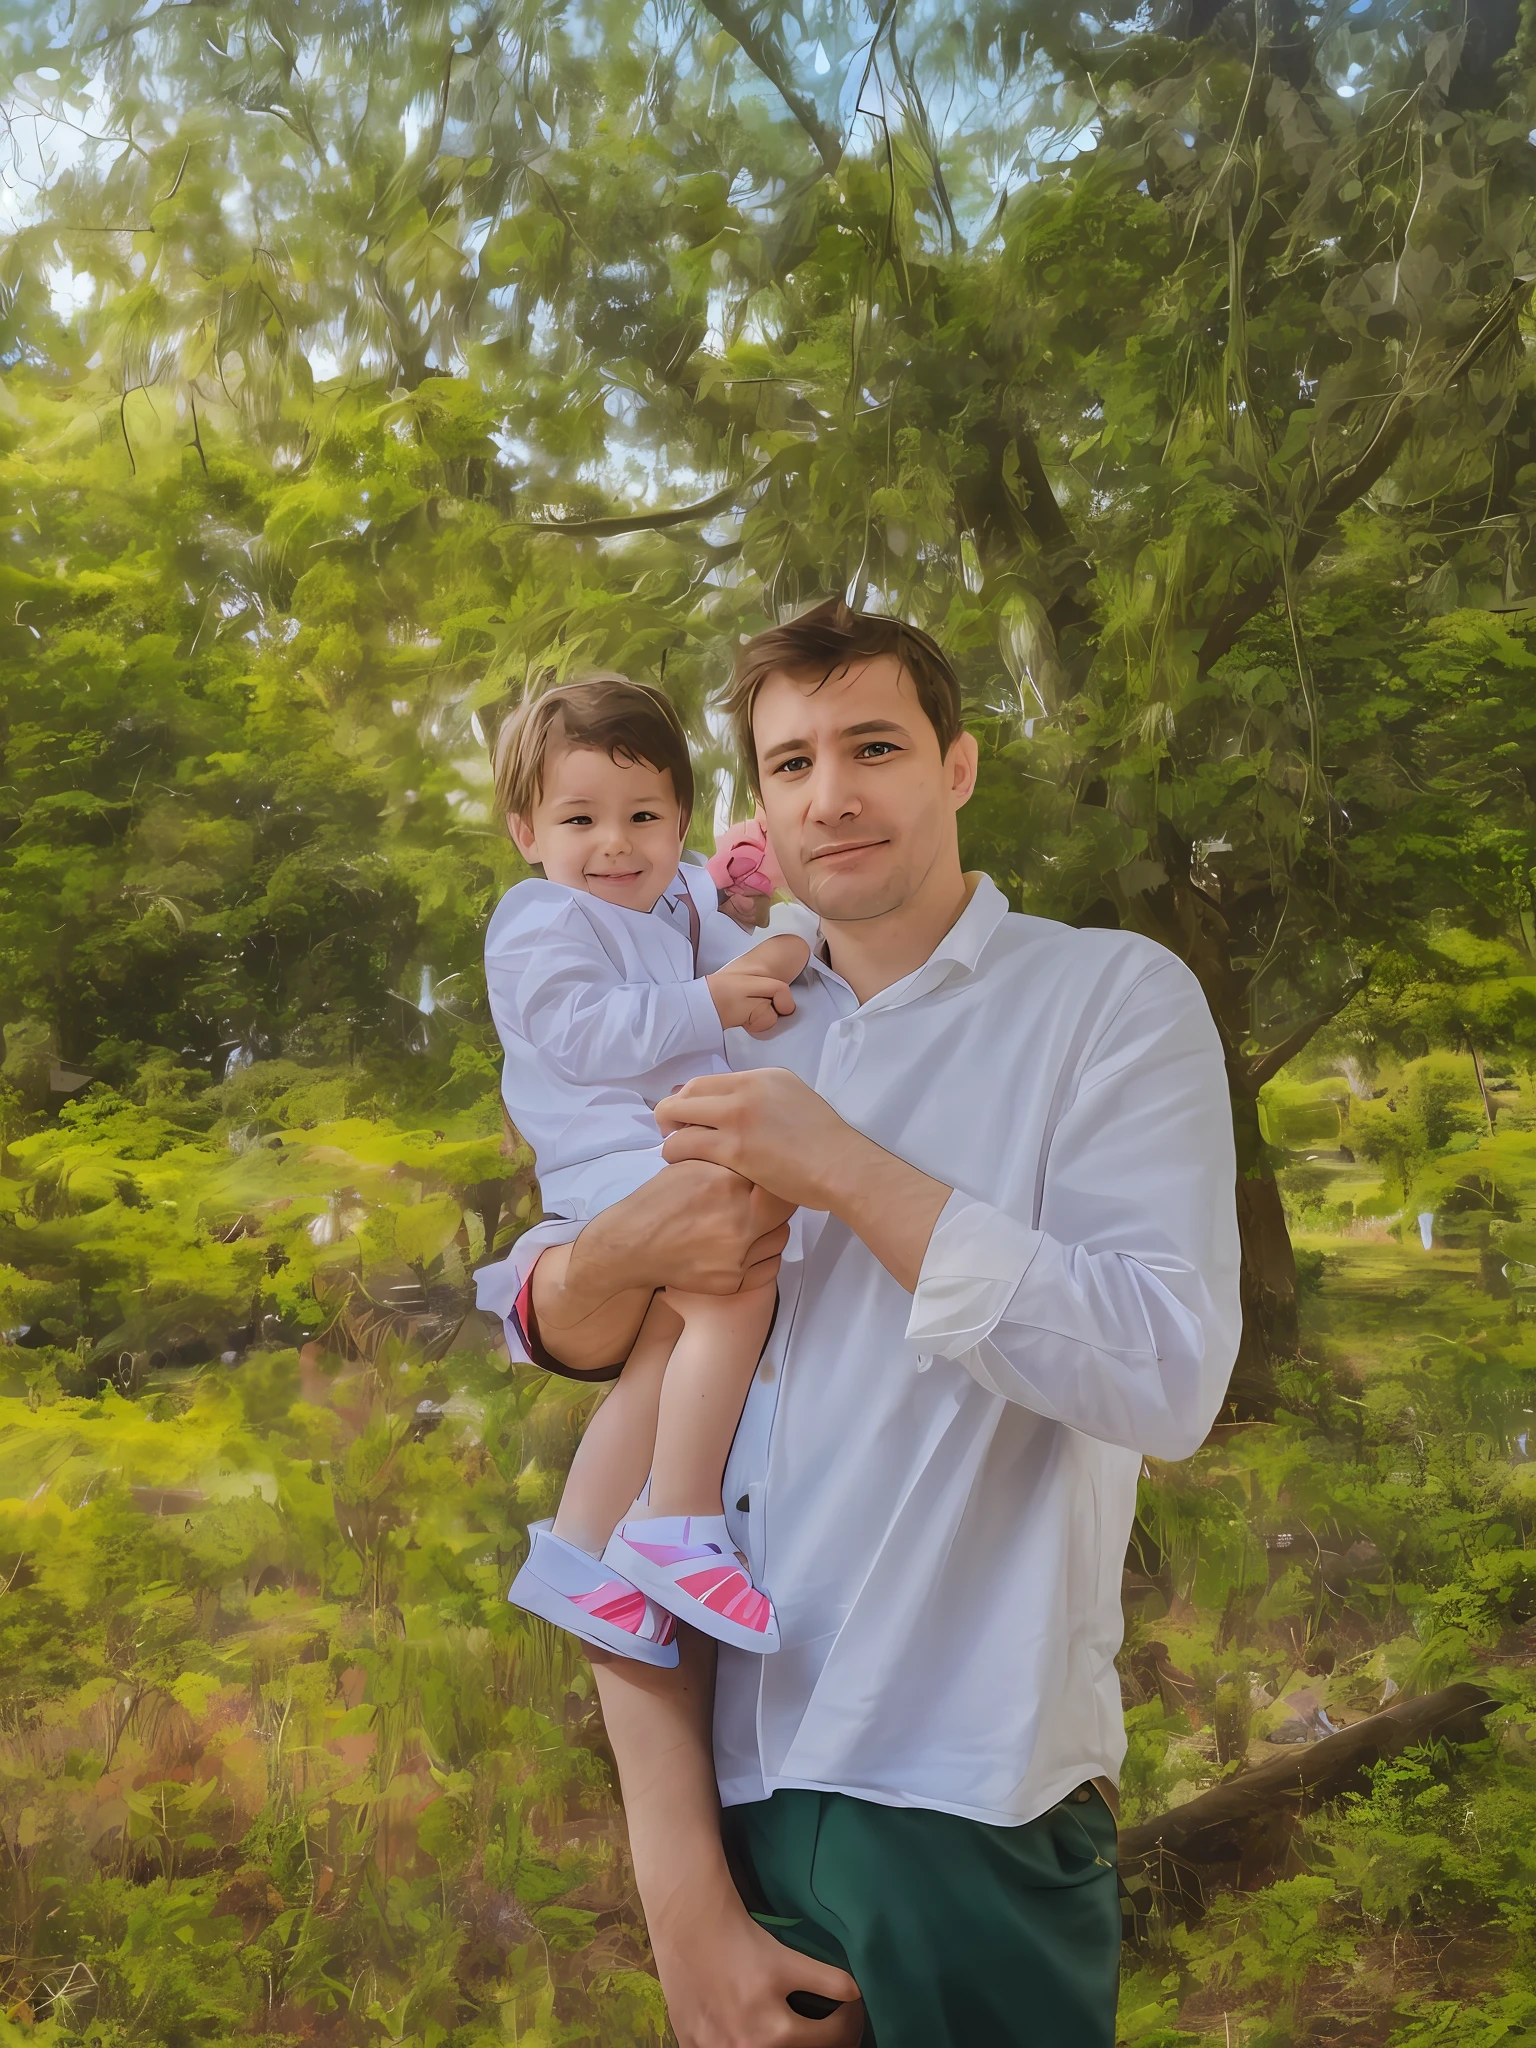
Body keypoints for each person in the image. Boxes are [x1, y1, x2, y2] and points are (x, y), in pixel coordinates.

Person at [480, 602, 1242, 2048]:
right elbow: (569, 1313)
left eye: (874, 746)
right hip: (729, 1815)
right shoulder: (729, 1006)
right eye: (789, 763)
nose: (831, 793)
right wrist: (683, 1908)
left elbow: (1168, 1374)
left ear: (955, 767)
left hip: (965, 1791)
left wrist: (846, 1173)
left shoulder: (1104, 1002)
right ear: (758, 804)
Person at [481, 676, 811, 1663]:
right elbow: (579, 1034)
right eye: (580, 817)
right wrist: (712, 1000)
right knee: (736, 1279)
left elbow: (763, 934)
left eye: (643, 815)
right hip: (610, 1157)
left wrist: (781, 919)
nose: (614, 842)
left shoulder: (675, 893)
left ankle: (578, 1554)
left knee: (673, 1339)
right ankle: (679, 1517)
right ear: (526, 829)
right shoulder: (542, 917)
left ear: (678, 820)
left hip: (660, 1147)